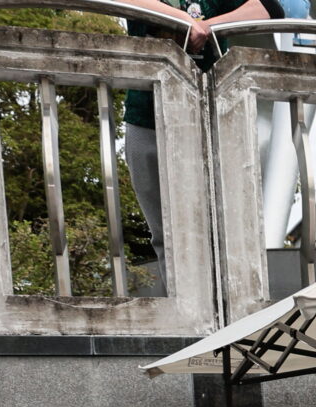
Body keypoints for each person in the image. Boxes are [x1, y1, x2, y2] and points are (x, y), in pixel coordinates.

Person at [120, 0, 282, 277]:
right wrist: (182, 20)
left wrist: (207, 26)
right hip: (146, 119)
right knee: (165, 232)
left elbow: (270, 8)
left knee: (219, 227)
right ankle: (182, 300)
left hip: (208, 119)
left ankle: (225, 301)